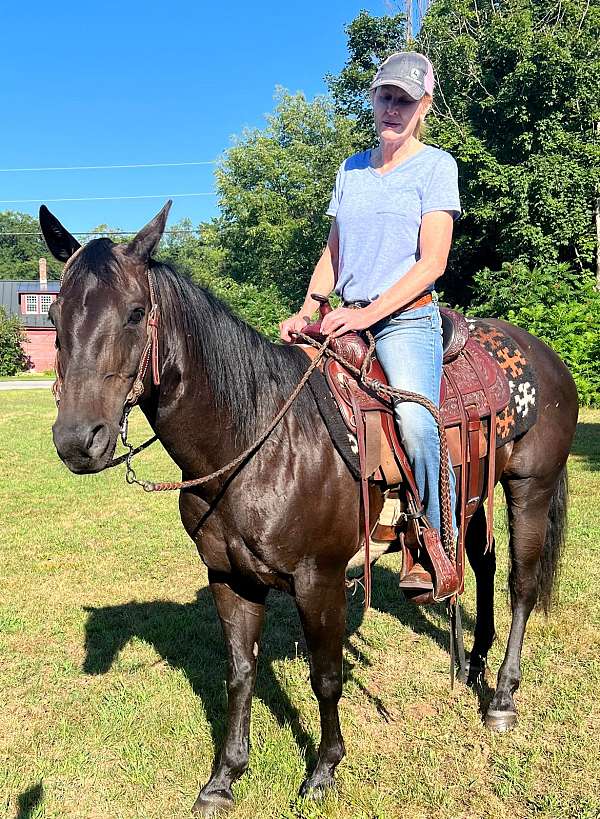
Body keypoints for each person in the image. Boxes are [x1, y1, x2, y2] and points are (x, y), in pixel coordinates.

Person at [280, 51, 460, 543]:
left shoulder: (436, 168)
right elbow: (334, 253)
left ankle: (437, 536)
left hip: (404, 319)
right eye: (385, 97)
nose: (392, 109)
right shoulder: (351, 170)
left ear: (424, 106)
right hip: (347, 315)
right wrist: (308, 307)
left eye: (405, 100)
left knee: (417, 422)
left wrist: (367, 316)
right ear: (373, 100)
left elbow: (432, 263)